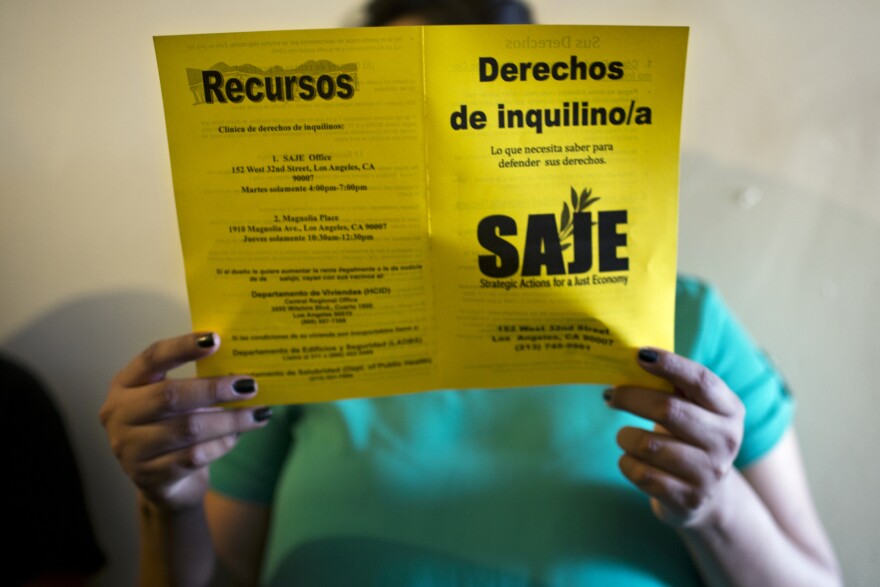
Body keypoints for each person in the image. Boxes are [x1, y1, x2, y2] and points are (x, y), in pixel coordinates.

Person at [100, 1, 841, 585]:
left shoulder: (687, 325)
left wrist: (716, 509)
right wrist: (167, 504)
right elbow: (220, 577)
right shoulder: (295, 323)